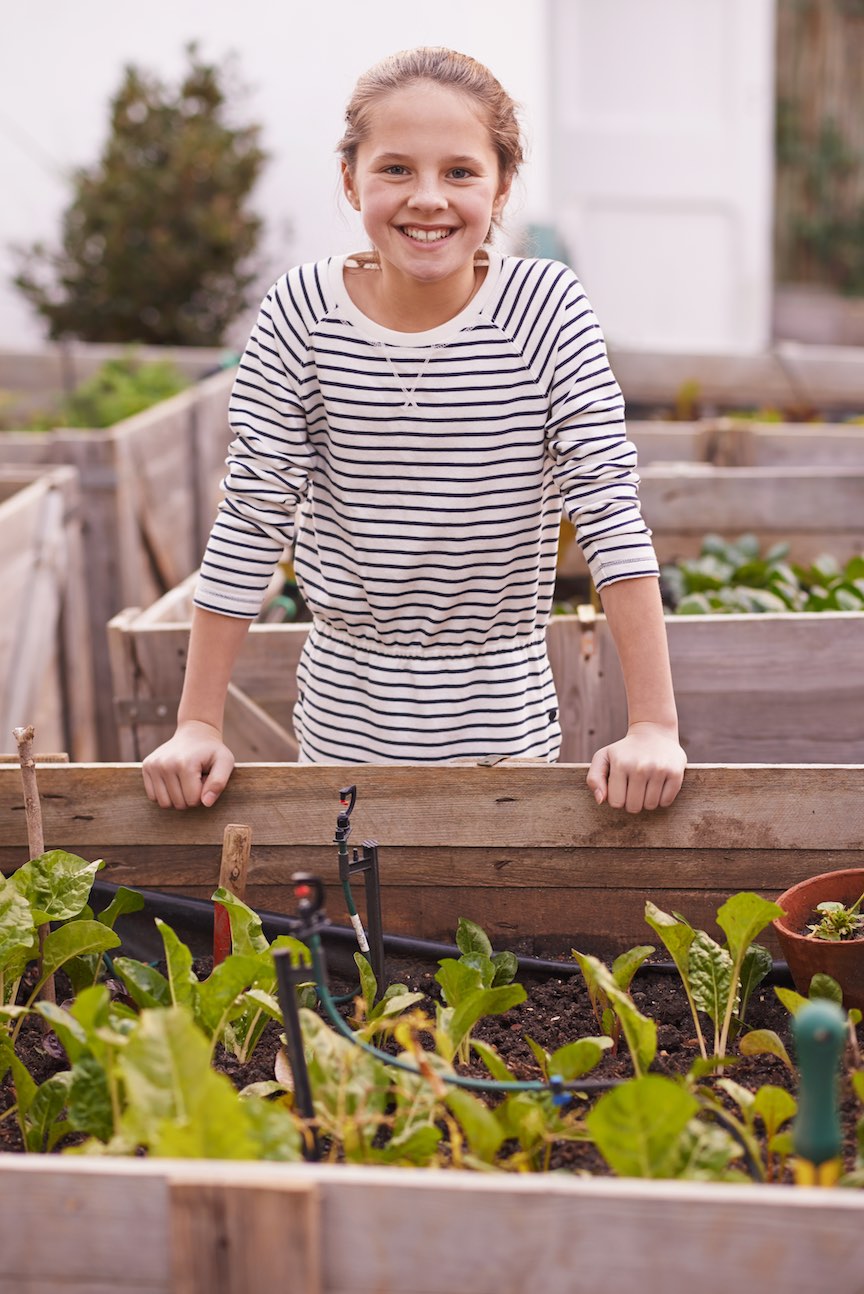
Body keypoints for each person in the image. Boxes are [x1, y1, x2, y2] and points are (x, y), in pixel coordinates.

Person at [142, 46, 687, 815]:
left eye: (460, 172)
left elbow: (608, 509)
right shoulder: (301, 314)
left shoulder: (547, 310)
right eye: (395, 169)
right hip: (342, 726)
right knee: (352, 924)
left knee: (493, 932)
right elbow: (251, 517)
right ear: (350, 179)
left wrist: (655, 725)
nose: (427, 198)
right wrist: (196, 722)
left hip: (506, 728)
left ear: (500, 186)